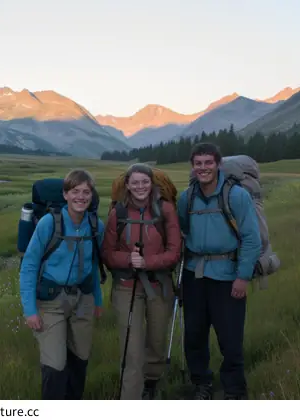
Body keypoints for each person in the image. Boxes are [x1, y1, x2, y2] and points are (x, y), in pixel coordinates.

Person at [177, 143, 261, 400]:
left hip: (228, 276)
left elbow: (251, 239)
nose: (203, 168)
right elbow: (182, 234)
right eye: (198, 163)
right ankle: (202, 384)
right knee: (194, 335)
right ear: (193, 166)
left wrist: (243, 277)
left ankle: (235, 391)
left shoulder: (236, 196)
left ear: (218, 165)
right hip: (194, 276)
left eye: (208, 163)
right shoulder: (186, 198)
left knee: (230, 338)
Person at [19, 169, 104, 400]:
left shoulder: (96, 226)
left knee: (80, 359)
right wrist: (30, 310)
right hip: (50, 302)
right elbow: (29, 267)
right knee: (55, 364)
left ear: (92, 195)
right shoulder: (49, 223)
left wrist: (97, 300)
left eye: (86, 192)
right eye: (75, 191)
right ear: (65, 194)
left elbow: (94, 265)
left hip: (83, 300)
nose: (81, 197)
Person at [101, 163, 182, 400]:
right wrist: (129, 259)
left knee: (156, 342)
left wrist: (147, 262)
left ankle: (152, 384)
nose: (140, 187)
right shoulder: (119, 213)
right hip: (126, 286)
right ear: (127, 185)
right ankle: (130, 399)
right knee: (132, 350)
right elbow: (107, 253)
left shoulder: (165, 209)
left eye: (144, 182)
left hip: (160, 285)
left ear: (152, 183)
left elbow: (174, 252)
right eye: (134, 182)